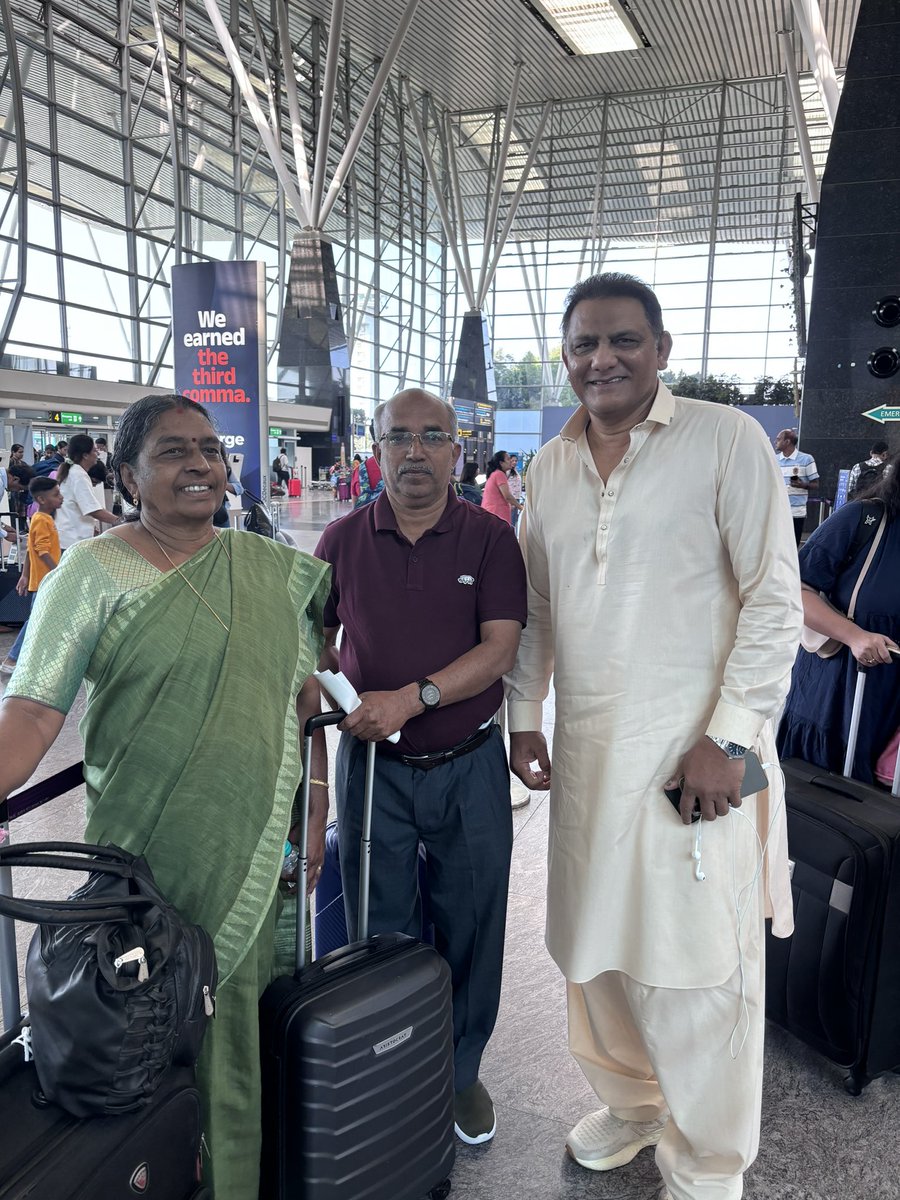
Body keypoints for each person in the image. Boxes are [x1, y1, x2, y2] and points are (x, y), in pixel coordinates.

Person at [505, 273, 802, 1200]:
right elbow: (539, 607)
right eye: (585, 343)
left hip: (697, 761)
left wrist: (730, 739)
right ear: (565, 356)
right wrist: (524, 716)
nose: (604, 359)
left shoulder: (725, 440)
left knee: (697, 966)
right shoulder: (548, 468)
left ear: (662, 350)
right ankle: (632, 1105)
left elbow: (774, 602)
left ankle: (710, 1163)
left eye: (624, 340)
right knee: (594, 949)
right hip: (592, 757)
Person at [0, 393, 330, 1200]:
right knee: (148, 1032)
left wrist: (315, 803)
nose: (201, 466)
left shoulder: (267, 569)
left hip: (254, 842)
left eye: (211, 451)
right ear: (128, 474)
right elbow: (37, 707)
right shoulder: (92, 571)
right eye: (176, 451)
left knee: (240, 1035)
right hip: (145, 861)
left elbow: (302, 698)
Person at [314, 388, 527, 1147]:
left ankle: (460, 1072)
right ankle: (391, 1062)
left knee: (473, 919)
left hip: (469, 764)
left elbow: (500, 648)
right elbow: (314, 635)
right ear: (375, 449)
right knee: (381, 924)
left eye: (431, 436)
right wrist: (340, 690)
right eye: (398, 436)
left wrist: (413, 696)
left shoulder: (489, 541)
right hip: (374, 767)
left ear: (455, 451)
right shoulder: (341, 539)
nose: (414, 451)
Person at [777, 454, 900, 781]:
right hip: (839, 697)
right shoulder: (866, 520)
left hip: (891, 719)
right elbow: (794, 590)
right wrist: (855, 636)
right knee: (828, 812)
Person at [0, 476, 63, 675]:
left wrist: (25, 575)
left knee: (42, 620)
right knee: (35, 621)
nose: (61, 497)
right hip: (46, 581)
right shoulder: (42, 520)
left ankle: (34, 659)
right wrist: (59, 572)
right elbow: (42, 551)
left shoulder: (40, 518)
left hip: (43, 580)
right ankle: (12, 658)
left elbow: (30, 549)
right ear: (42, 499)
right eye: (56, 494)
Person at [55, 434, 120, 548]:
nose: (98, 454)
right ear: (85, 455)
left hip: (67, 536)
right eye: (95, 451)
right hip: (73, 540)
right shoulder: (78, 475)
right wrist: (120, 521)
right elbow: (93, 510)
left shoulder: (72, 471)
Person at [774, 428, 819, 545]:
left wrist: (803, 485)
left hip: (796, 512)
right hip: (777, 511)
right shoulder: (774, 459)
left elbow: (816, 484)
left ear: (787, 442)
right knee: (776, 546)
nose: (775, 442)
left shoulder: (806, 459)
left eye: (778, 439)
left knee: (793, 546)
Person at [481, 451, 522, 524]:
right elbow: (507, 496)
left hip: (493, 514)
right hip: (497, 514)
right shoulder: (499, 474)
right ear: (501, 463)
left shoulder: (495, 474)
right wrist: (520, 507)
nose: (511, 461)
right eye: (508, 459)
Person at [507, 454, 523, 530]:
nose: (514, 462)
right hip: (511, 499)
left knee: (514, 521)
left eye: (515, 461)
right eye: (512, 460)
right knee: (511, 522)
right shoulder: (507, 472)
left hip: (516, 498)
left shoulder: (515, 471)